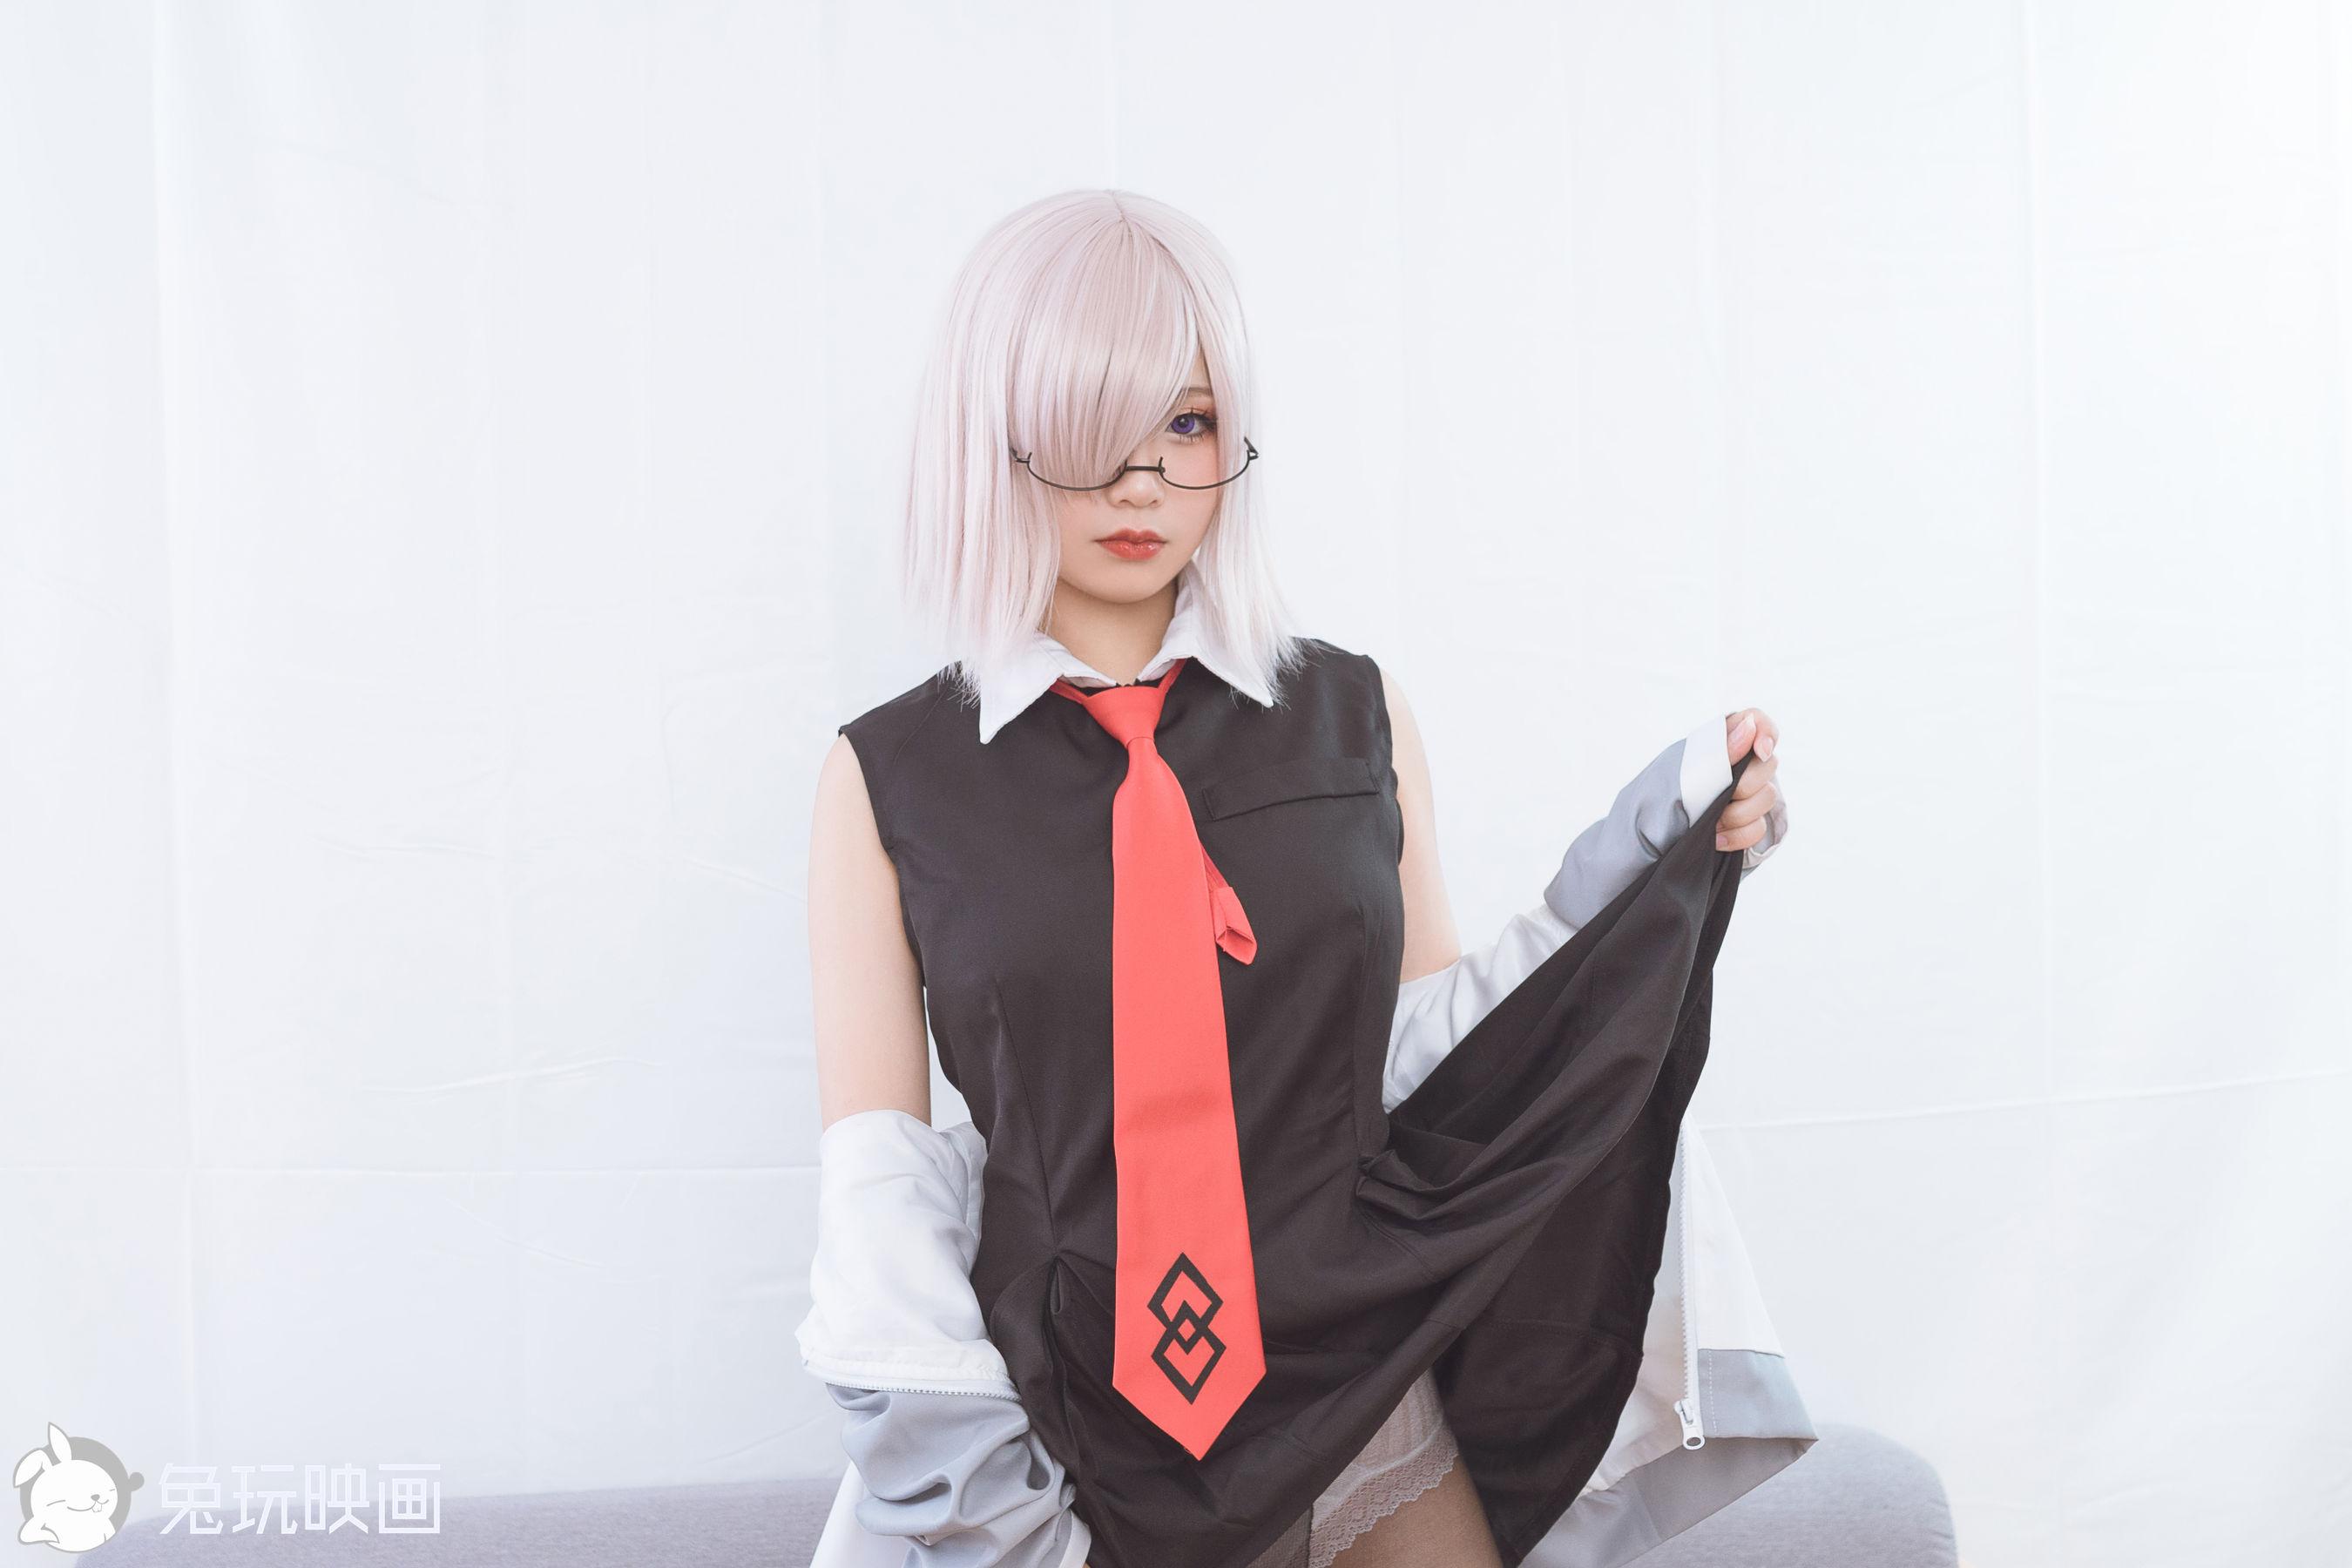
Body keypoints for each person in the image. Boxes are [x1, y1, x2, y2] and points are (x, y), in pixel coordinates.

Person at [798, 188, 1812, 1568]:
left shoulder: (1353, 714)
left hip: (1361, 1393)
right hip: (1072, 1435)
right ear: (992, 437)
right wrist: (988, 1505)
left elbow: (1430, 1060)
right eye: (1092, 428)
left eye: (1187, 423)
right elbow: (883, 1187)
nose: (1144, 482)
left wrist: (1646, 856)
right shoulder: (890, 778)